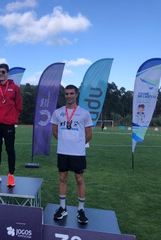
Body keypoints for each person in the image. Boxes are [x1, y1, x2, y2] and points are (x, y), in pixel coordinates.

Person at [50, 84, 93, 224]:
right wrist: (65, 142)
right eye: (66, 94)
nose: (68, 96)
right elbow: (55, 131)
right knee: (62, 178)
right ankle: (63, 208)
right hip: (63, 151)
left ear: (76, 94)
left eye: (71, 93)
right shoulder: (57, 112)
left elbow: (89, 134)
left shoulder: (84, 113)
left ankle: (81, 209)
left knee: (79, 178)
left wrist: (77, 144)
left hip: (78, 153)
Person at [0, 63, 22, 187]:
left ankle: (11, 175)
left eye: (3, 72)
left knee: (10, 150)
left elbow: (19, 106)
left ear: (8, 73)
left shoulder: (15, 88)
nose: (0, 74)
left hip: (8, 124)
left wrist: (13, 117)